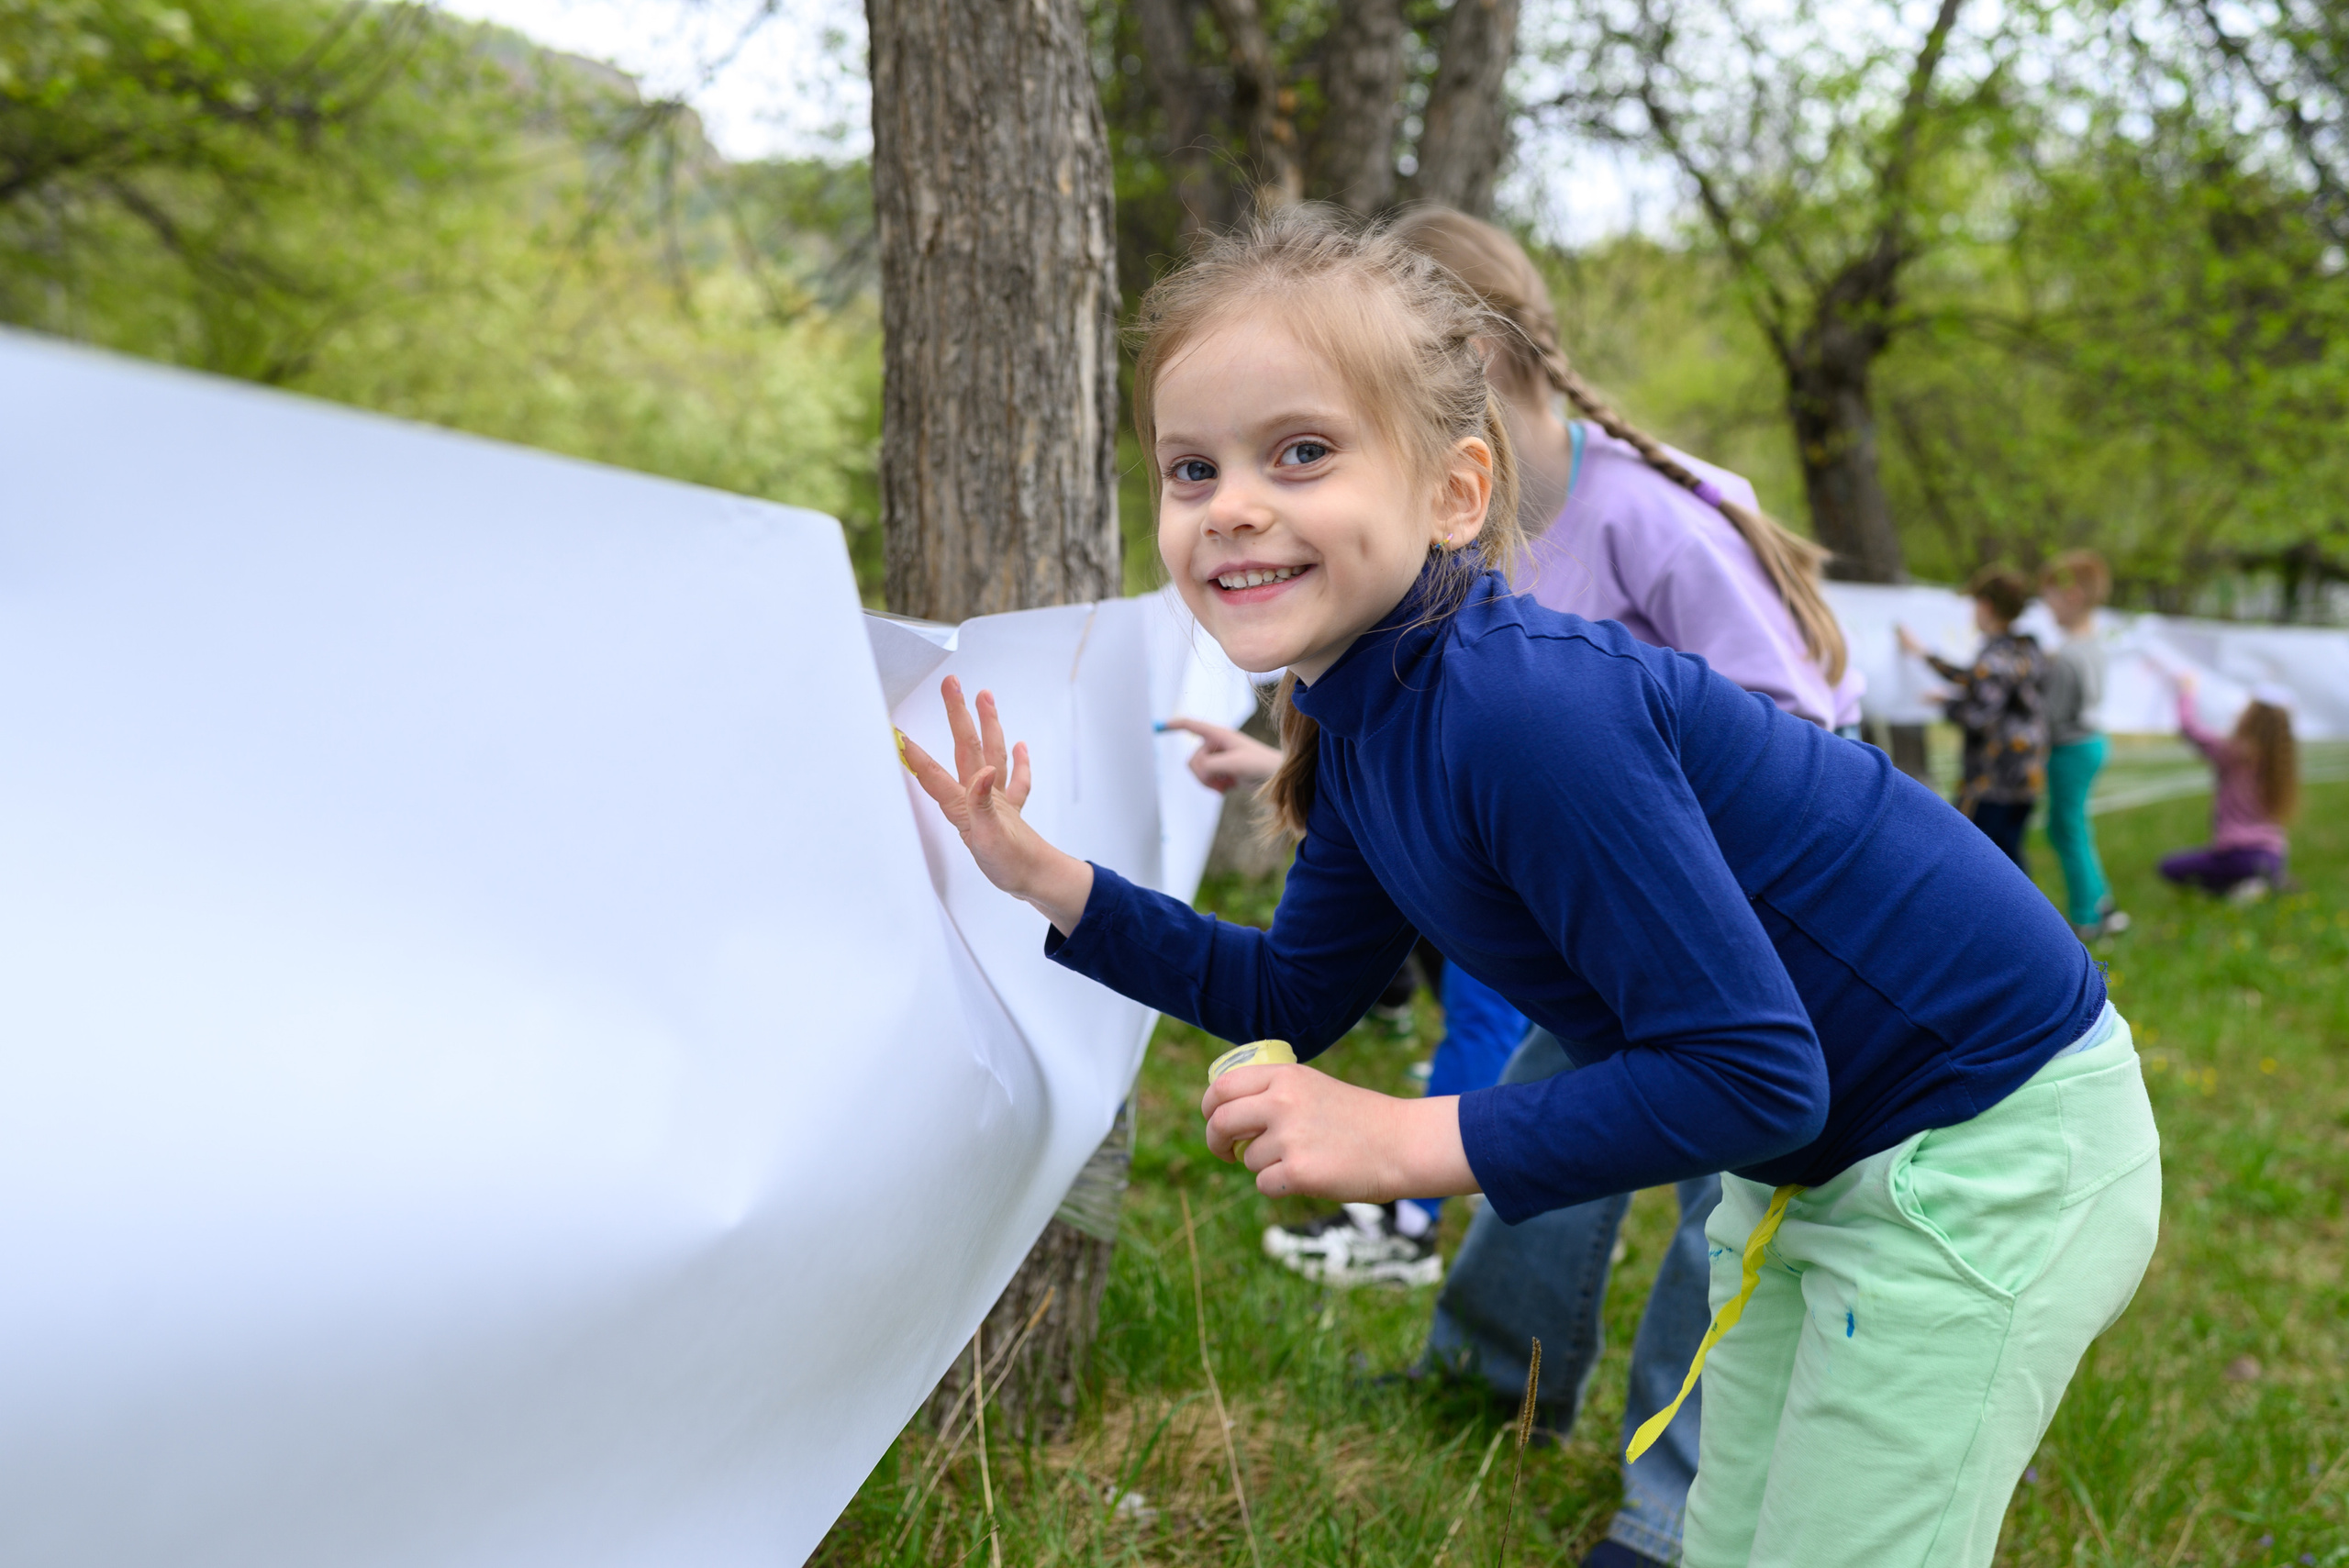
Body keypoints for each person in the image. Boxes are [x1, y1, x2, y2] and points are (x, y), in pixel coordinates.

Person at [900, 206, 2159, 1568]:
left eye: (1302, 452)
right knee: (1729, 1540)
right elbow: (1291, 990)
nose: (1235, 505)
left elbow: (1753, 1073)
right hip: (1826, 1162)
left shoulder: (1522, 711)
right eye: (1190, 468)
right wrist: (1044, 875)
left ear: (1454, 491)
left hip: (1984, 1148)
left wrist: (1403, 1142)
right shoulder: (1362, 721)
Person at [1898, 567, 2049, 870]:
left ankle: (1991, 916)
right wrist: (1925, 656)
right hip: (2027, 770)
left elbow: (1979, 715)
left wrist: (1948, 706)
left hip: (1992, 777)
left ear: (1986, 606)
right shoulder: (2025, 648)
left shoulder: (1993, 658)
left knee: (1972, 854)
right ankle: (2026, 915)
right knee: (2010, 851)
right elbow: (1982, 683)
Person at [2039, 552, 2130, 941]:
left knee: (2066, 828)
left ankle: (2086, 918)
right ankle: (2101, 903)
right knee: (2071, 826)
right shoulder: (2090, 644)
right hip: (2090, 743)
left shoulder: (2067, 655)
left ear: (2072, 596)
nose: (2048, 609)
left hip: (2070, 749)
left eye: (2052, 600)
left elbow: (2050, 716)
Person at [2160, 676, 2299, 899]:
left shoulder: (2233, 752)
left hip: (2238, 856)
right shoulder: (2281, 762)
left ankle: (2239, 887)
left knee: (2169, 867)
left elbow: (2189, 728)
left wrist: (2187, 691)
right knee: (2233, 869)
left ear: (2251, 718)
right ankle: (2265, 880)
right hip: (2274, 857)